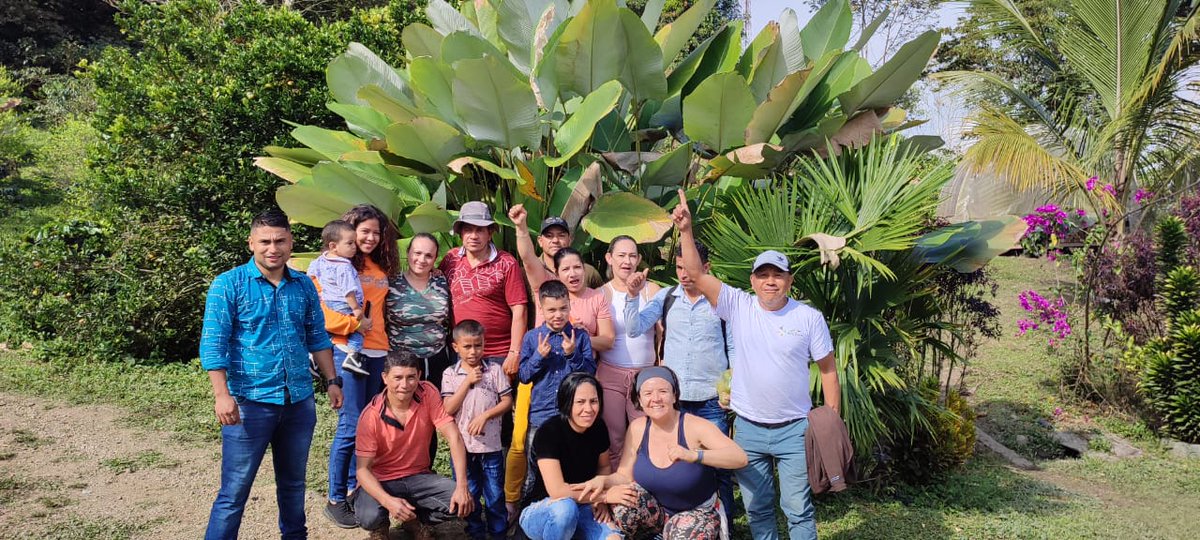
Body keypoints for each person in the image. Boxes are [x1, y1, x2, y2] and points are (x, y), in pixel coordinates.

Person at [672, 189, 841, 540]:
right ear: (752, 281)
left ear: (789, 280)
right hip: (748, 428)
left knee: (797, 508)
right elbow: (695, 275)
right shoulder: (738, 306)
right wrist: (687, 231)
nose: (770, 281)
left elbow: (827, 368)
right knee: (758, 507)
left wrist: (830, 418)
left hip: (794, 429)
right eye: (762, 275)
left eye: (777, 275)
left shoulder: (808, 317)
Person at [200, 209, 344, 540]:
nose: (272, 248)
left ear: (291, 243)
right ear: (251, 242)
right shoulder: (228, 285)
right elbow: (213, 344)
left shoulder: (304, 285)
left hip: (298, 403)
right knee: (234, 491)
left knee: (294, 485)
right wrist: (222, 395)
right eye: (264, 241)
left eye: (280, 240)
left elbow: (317, 336)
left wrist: (331, 381)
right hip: (249, 405)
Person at [506, 204, 615, 517]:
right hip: (541, 410)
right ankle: (526, 515)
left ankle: (571, 511)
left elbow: (589, 370)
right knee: (532, 465)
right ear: (542, 305)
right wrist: (539, 358)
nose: (557, 314)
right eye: (550, 310)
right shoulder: (534, 334)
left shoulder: (581, 328)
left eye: (562, 309)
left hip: (570, 411)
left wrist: (571, 354)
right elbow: (525, 375)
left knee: (568, 463)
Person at [622, 240, 737, 521]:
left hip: (711, 401)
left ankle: (724, 527)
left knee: (718, 467)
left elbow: (734, 350)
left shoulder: (721, 301)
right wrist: (633, 295)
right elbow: (635, 328)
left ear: (706, 268)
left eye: (690, 268)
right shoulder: (667, 298)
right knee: (675, 463)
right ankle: (673, 520)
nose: (684, 274)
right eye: (679, 267)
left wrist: (733, 390)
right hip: (673, 403)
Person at [581, 366, 747, 540]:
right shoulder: (638, 428)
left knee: (683, 534)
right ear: (640, 399)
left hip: (696, 511)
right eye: (648, 393)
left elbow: (740, 458)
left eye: (663, 391)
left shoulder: (694, 426)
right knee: (622, 503)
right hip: (657, 513)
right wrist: (604, 480)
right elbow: (624, 475)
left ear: (674, 395)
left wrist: (695, 456)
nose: (656, 399)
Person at [324, 204, 400, 528]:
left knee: (369, 425)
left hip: (378, 351)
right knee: (351, 424)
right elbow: (323, 312)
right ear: (350, 230)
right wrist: (355, 326)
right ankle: (335, 497)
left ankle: (358, 487)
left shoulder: (378, 264)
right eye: (363, 231)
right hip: (349, 351)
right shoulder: (333, 263)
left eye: (375, 232)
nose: (369, 237)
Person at [352, 351, 475, 540]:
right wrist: (388, 502)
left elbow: (454, 437)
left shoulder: (427, 392)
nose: (405, 385)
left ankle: (414, 520)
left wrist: (462, 486)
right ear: (385, 378)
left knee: (462, 502)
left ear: (418, 376)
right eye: (397, 378)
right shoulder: (371, 415)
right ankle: (381, 525)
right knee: (369, 517)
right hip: (382, 479)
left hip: (418, 476)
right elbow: (362, 471)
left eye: (411, 377)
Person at [519, 373, 621, 540]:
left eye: (593, 401)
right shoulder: (549, 432)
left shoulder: (599, 427)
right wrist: (605, 496)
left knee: (613, 538)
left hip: (584, 505)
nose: (588, 409)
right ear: (566, 402)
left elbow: (603, 467)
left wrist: (600, 501)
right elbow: (558, 491)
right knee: (565, 509)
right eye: (580, 402)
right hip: (544, 507)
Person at [441, 320, 514, 540]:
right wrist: (467, 382)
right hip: (463, 449)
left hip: (490, 447)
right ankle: (475, 533)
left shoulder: (494, 370)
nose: (474, 352)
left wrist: (485, 415)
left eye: (478, 345)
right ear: (456, 347)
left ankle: (498, 533)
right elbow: (448, 408)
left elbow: (507, 401)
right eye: (467, 346)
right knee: (470, 494)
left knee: (494, 495)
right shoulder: (450, 374)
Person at [439, 201, 528, 376]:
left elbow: (519, 309)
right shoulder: (450, 259)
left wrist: (514, 352)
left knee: (499, 402)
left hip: (498, 353)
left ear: (490, 233)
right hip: (461, 352)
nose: (473, 236)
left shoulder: (506, 262)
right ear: (460, 233)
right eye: (468, 230)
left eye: (479, 230)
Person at [597, 235, 661, 465]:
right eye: (621, 255)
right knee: (614, 438)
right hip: (610, 374)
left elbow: (662, 331)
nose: (627, 261)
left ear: (639, 259)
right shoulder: (602, 294)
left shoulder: (651, 290)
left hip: (645, 375)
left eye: (632, 255)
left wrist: (661, 366)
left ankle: (645, 492)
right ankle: (618, 495)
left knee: (645, 435)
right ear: (609, 258)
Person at [386, 232, 452, 391]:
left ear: (435, 259)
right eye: (417, 253)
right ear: (408, 252)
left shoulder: (441, 280)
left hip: (437, 357)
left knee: (435, 408)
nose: (422, 260)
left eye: (429, 255)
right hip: (400, 362)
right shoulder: (391, 282)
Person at [307, 219, 368, 375]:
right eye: (350, 243)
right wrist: (356, 309)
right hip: (344, 304)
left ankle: (313, 355)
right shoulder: (344, 266)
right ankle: (353, 356)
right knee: (358, 329)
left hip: (328, 302)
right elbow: (348, 290)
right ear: (333, 246)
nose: (355, 247)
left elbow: (310, 275)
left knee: (326, 332)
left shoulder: (320, 260)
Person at [533, 214, 604, 289]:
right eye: (549, 236)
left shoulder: (588, 272)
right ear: (540, 241)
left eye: (561, 235)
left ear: (569, 240)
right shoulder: (530, 271)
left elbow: (604, 298)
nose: (555, 240)